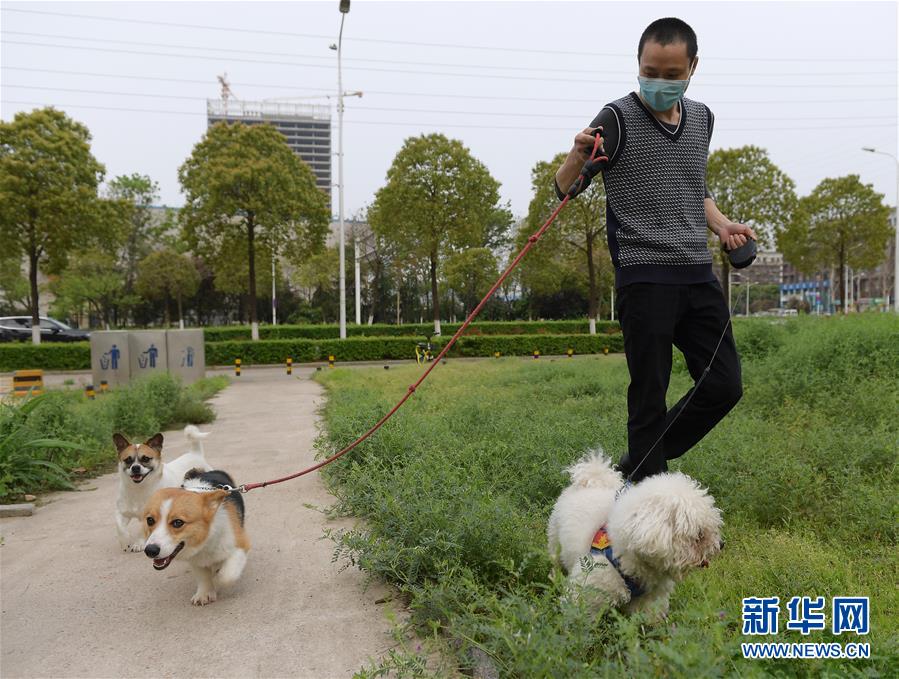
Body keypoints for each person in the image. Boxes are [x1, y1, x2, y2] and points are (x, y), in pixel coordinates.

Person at [554, 17, 755, 483]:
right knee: (649, 395)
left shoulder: (702, 118)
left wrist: (723, 226)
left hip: (698, 274)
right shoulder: (616, 118)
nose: (659, 82)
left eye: (671, 74)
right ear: (638, 65)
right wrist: (575, 157)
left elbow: (693, 188)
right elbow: (565, 189)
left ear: (692, 68)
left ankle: (640, 463)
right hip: (644, 279)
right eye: (650, 71)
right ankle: (643, 507)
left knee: (725, 384)